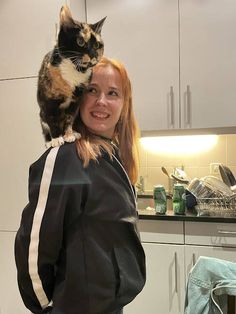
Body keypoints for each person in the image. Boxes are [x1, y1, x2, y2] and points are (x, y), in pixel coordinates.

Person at [15, 57, 146, 314]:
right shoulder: (66, 159)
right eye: (92, 90)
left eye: (113, 93)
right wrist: (46, 307)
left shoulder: (112, 157)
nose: (101, 101)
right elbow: (35, 246)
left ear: (124, 104)